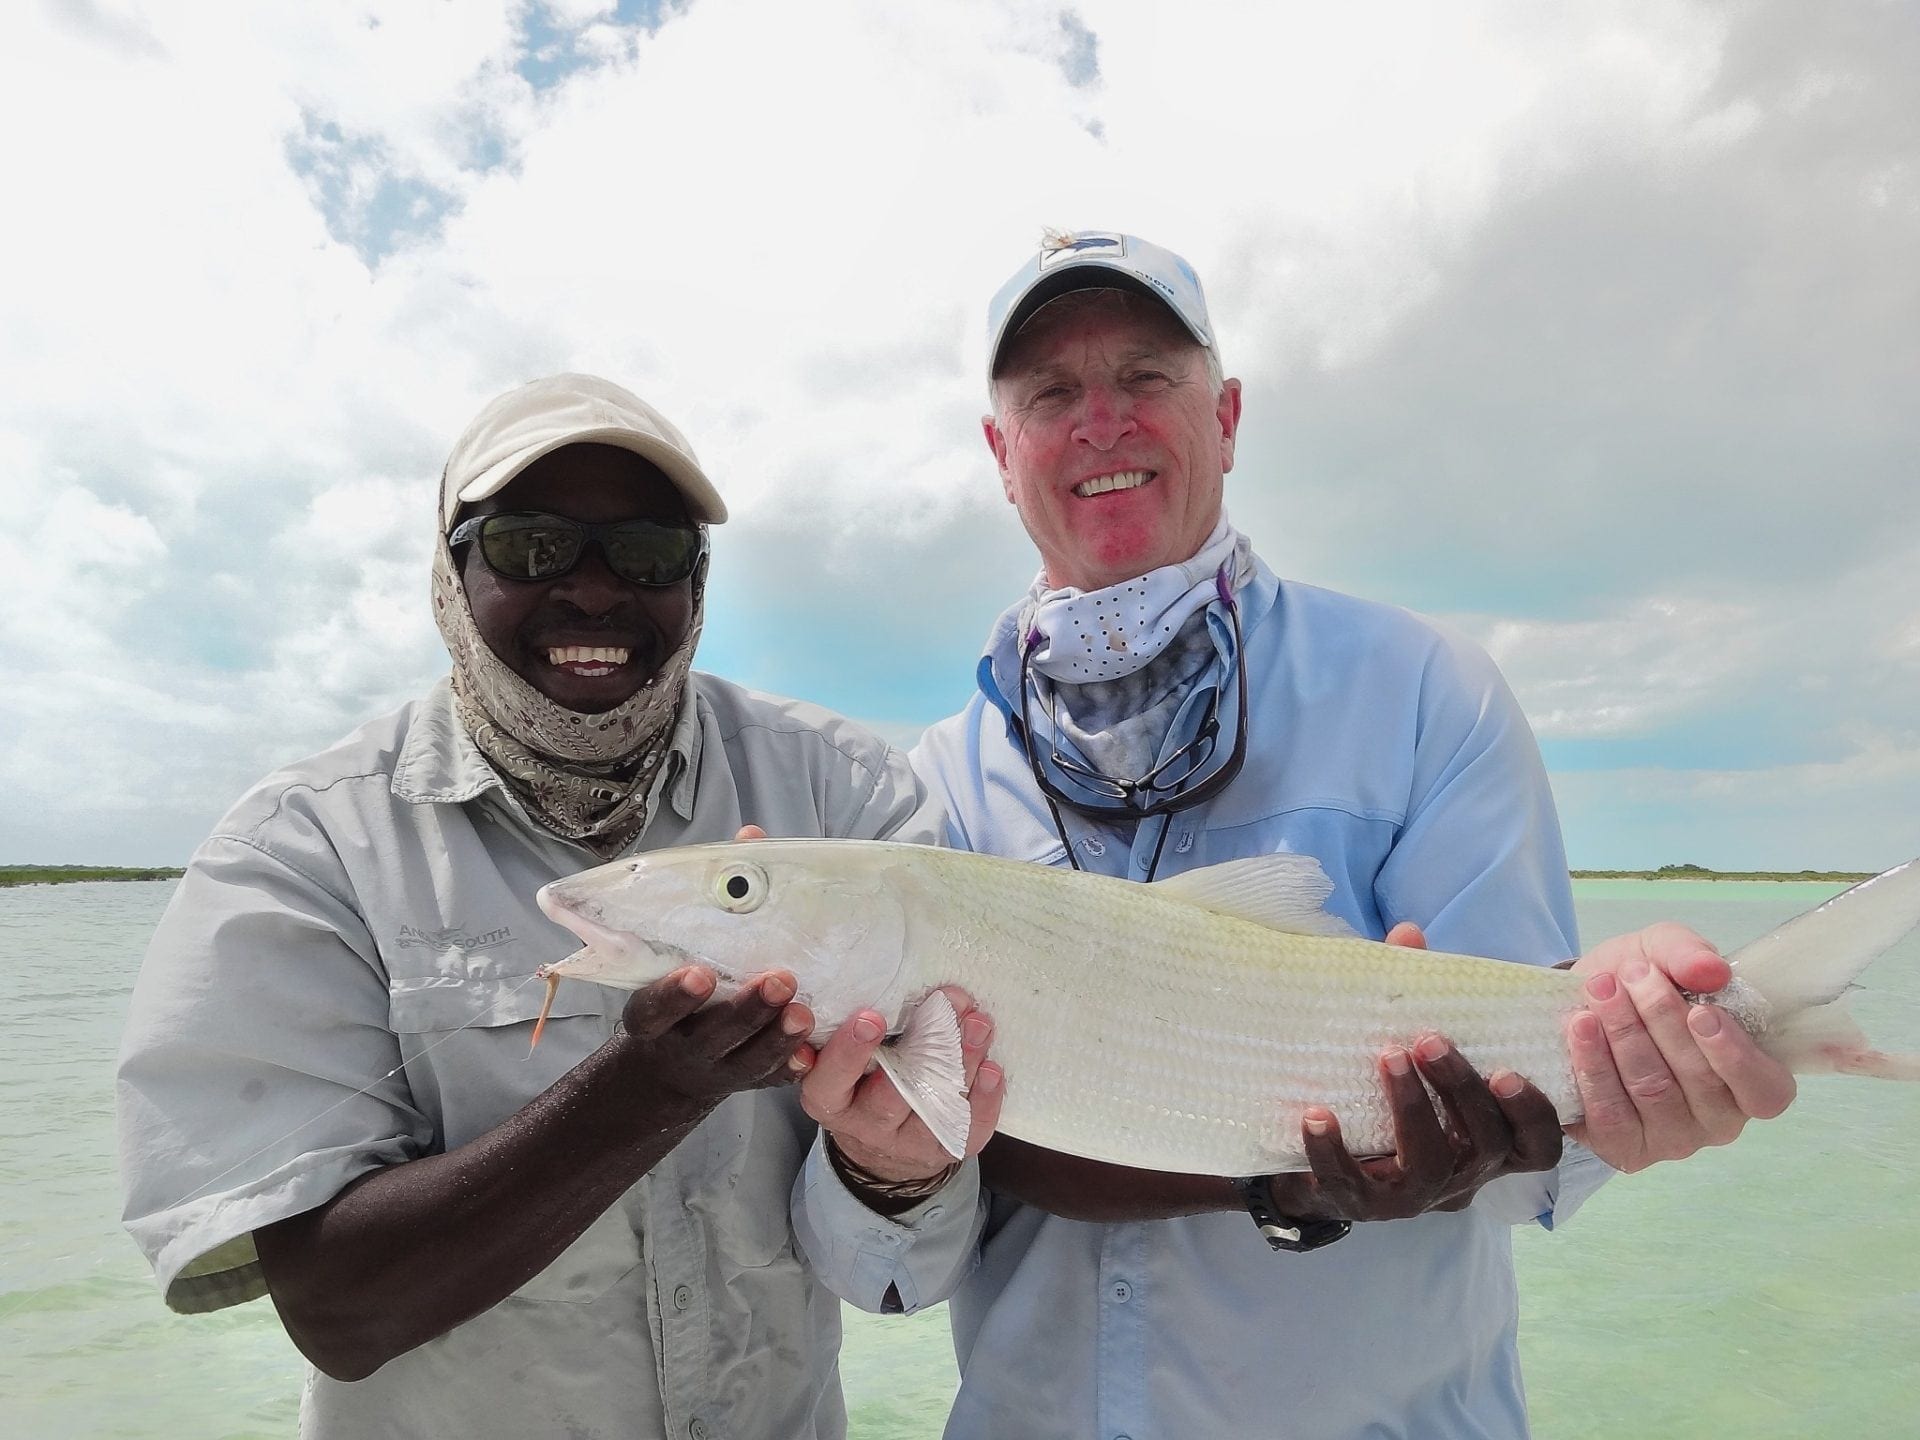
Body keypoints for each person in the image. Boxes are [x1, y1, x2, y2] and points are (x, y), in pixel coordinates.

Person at [793, 232, 1800, 1438]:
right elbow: (900, 1260)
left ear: (1225, 416)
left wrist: (1640, 1078)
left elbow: (1534, 1128)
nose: (1101, 422)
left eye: (1146, 379)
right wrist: (884, 1165)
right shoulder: (942, 783)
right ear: (1002, 454)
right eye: (1052, 394)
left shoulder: (1428, 691)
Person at [115, 373, 1000, 1440]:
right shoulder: (303, 850)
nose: (591, 591)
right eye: (530, 546)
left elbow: (893, 1279)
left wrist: (890, 1168)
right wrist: (647, 1091)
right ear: (450, 575)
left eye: (647, 552)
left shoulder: (846, 800)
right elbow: (338, 1313)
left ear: (699, 582)